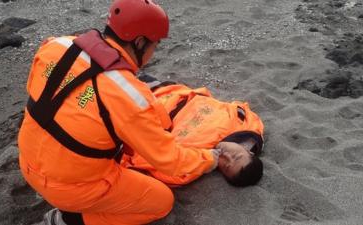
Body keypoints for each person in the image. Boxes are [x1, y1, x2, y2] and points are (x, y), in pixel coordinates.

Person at [18, 1, 220, 225]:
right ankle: (66, 219)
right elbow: (171, 161)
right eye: (156, 45)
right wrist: (209, 159)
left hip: (27, 162)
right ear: (140, 42)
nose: (154, 52)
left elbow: (40, 94)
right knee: (161, 201)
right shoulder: (128, 95)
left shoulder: (55, 45)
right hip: (69, 187)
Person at [121, 78, 264, 187]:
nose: (226, 156)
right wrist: (251, 141)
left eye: (226, 166)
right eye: (236, 156)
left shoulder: (192, 166)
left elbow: (145, 160)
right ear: (248, 151)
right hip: (169, 91)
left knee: (100, 86)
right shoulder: (243, 127)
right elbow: (254, 128)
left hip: (138, 107)